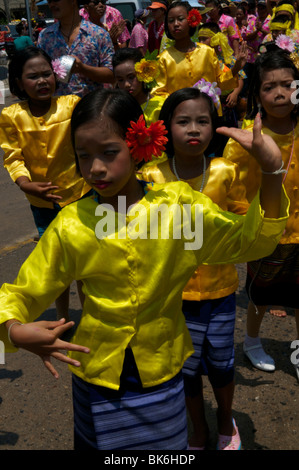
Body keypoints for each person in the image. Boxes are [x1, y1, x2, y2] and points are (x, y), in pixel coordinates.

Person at [0, 88, 289, 450]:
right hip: (96, 373)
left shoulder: (177, 209)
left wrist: (272, 170)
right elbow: (23, 291)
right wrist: (13, 330)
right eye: (83, 156)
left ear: (138, 147)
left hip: (162, 372)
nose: (95, 169)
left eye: (108, 152)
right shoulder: (71, 224)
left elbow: (252, 243)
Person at [140, 85, 250, 450]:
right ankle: (197, 426)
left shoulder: (224, 171)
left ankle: (224, 416)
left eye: (202, 121)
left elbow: (243, 219)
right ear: (165, 127)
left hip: (219, 291)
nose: (193, 129)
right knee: (184, 368)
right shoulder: (151, 177)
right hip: (172, 295)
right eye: (183, 121)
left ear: (214, 126)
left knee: (221, 362)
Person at [223, 46, 299, 381]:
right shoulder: (247, 138)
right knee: (259, 295)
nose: (280, 94)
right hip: (266, 235)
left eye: (288, 84)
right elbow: (234, 191)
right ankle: (252, 341)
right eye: (269, 87)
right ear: (257, 93)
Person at [0, 46, 91, 320]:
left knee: (86, 263)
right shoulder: (11, 116)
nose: (42, 81)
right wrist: (25, 184)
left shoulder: (72, 105)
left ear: (56, 75)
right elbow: (13, 157)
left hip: (80, 196)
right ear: (18, 82)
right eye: (33, 76)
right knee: (57, 266)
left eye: (46, 74)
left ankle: (90, 318)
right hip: (43, 204)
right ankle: (63, 318)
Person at [151, 1, 247, 108]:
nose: (176, 24)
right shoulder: (163, 59)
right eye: (171, 21)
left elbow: (219, 82)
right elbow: (158, 93)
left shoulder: (207, 52)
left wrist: (236, 68)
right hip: (181, 117)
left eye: (180, 19)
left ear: (192, 20)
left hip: (208, 114)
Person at [38, 0, 114, 97]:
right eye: (49, 1)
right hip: (58, 109)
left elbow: (112, 75)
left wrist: (83, 69)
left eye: (56, 0)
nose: (52, 4)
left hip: (90, 107)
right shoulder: (45, 36)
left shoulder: (98, 34)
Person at [112, 47, 166, 126]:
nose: (126, 84)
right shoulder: (116, 110)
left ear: (143, 73)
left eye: (131, 77)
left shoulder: (160, 106)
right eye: (120, 80)